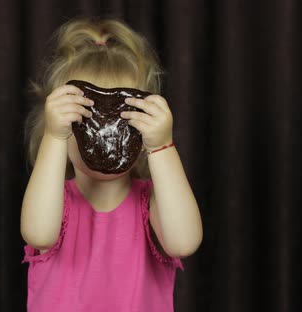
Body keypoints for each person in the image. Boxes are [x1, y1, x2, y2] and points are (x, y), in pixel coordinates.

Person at [20, 17, 203, 312]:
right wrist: (54, 137)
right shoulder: (54, 204)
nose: (105, 132)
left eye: (122, 120)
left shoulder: (153, 204)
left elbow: (183, 242)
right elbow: (39, 233)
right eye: (85, 119)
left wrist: (161, 147)